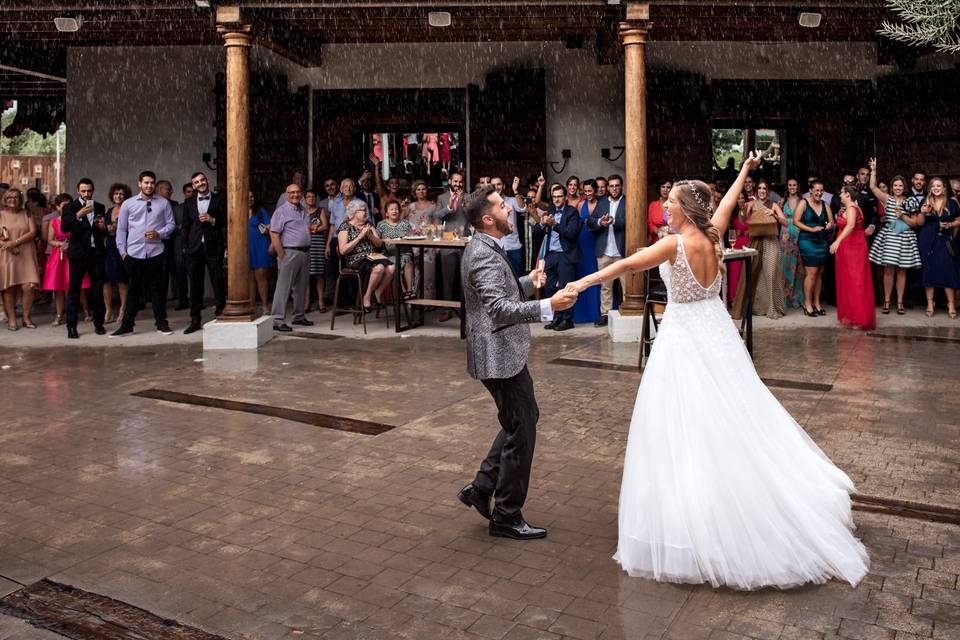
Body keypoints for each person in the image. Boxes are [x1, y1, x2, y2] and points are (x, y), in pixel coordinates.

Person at [564, 152, 870, 589]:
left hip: (685, 337)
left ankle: (696, 520)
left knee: (683, 423)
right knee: (734, 412)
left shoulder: (676, 243)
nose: (665, 208)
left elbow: (629, 265)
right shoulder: (713, 233)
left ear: (685, 210)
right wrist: (746, 168)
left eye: (670, 203)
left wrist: (583, 282)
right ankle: (730, 497)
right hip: (718, 332)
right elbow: (725, 201)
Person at [455, 185, 578, 540]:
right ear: (488, 219)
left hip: (502, 352)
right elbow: (497, 309)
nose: (510, 211)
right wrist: (548, 306)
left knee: (520, 421)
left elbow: (499, 293)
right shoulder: (482, 253)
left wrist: (526, 281)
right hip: (497, 355)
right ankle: (507, 515)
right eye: (502, 208)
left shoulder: (487, 247)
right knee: (522, 429)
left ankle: (481, 488)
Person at [112, 171, 176, 337]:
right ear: (139, 183)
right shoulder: (128, 203)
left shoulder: (163, 203)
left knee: (158, 290)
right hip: (134, 253)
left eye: (152, 183)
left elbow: (171, 225)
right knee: (133, 290)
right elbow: (121, 229)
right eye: (146, 182)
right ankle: (127, 325)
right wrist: (123, 252)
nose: (149, 185)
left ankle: (161, 323)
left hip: (156, 252)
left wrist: (159, 233)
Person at [866, 159, 922, 315]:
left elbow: (916, 223)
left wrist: (902, 215)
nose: (898, 188)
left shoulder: (910, 201)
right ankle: (887, 302)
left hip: (905, 236)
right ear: (892, 187)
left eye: (900, 185)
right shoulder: (887, 199)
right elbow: (872, 187)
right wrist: (874, 171)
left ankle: (899, 303)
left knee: (902, 271)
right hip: (890, 237)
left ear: (904, 187)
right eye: (895, 185)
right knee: (888, 270)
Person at [60, 178, 107, 339]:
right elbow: (64, 228)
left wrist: (104, 228)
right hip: (78, 254)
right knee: (74, 290)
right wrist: (78, 215)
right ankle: (71, 326)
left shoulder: (99, 206)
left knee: (97, 290)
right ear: (78, 191)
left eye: (89, 190)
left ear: (93, 190)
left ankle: (99, 324)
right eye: (83, 191)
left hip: (96, 253)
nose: (87, 194)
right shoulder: (70, 207)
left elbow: (102, 231)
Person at [733, 180, 787, 320]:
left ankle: (773, 308)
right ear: (757, 191)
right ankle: (756, 308)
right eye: (760, 188)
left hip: (771, 241)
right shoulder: (751, 204)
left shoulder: (773, 205)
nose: (762, 190)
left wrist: (774, 214)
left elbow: (785, 222)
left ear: (767, 191)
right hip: (755, 241)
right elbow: (742, 219)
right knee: (752, 274)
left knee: (771, 273)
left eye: (764, 188)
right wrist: (743, 209)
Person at [180, 172, 226, 334]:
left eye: (202, 180)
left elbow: (227, 220)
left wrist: (212, 220)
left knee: (218, 281)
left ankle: (221, 313)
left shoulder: (219, 199)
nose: (200, 183)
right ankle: (195, 319)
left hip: (214, 246)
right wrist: (186, 245)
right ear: (193, 186)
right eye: (196, 182)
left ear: (207, 181)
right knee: (195, 285)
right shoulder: (188, 202)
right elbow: (185, 226)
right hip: (194, 249)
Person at [534, 184, 581, 331]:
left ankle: (567, 320)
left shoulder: (572, 212)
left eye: (560, 196)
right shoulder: (550, 210)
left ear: (565, 198)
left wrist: (555, 225)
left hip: (565, 255)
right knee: (548, 287)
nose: (557, 199)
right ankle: (556, 318)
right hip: (551, 255)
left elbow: (571, 233)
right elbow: (536, 231)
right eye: (554, 197)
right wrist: (542, 223)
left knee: (565, 288)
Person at [831, 186, 876, 330]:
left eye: (842, 193)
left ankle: (859, 317)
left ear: (847, 195)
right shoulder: (854, 208)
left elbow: (850, 226)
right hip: (853, 246)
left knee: (855, 281)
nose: (840, 195)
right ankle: (853, 315)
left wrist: (837, 241)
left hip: (852, 248)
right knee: (851, 281)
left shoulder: (851, 209)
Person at [270, 184, 314, 332]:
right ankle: (277, 319)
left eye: (298, 192)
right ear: (286, 195)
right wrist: (281, 254)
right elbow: (274, 234)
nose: (295, 194)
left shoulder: (304, 211)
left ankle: (299, 316)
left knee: (301, 287)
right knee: (284, 287)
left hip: (305, 252)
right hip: (289, 252)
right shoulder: (281, 211)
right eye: (292, 192)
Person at [337, 200, 394, 313]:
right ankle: (367, 297)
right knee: (379, 268)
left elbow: (379, 244)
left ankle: (376, 293)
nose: (366, 212)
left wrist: (370, 235)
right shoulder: (345, 226)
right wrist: (360, 236)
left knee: (392, 268)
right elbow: (343, 250)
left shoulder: (369, 224)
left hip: (373, 256)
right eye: (363, 210)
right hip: (356, 259)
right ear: (354, 212)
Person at [916, 177, 960, 318]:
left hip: (945, 240)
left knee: (948, 270)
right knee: (929, 271)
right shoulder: (925, 201)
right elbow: (919, 223)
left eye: (939, 185)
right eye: (933, 186)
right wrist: (922, 212)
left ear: (944, 188)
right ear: (930, 188)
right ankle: (930, 303)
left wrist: (950, 225)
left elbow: (959, 220)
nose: (936, 188)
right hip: (927, 240)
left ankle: (951, 304)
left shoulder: (952, 203)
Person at [587, 174, 626, 326]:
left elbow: (631, 221)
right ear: (608, 187)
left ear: (621, 186)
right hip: (604, 251)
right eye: (611, 186)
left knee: (627, 287)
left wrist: (614, 221)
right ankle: (605, 314)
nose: (614, 189)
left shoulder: (628, 201)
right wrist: (599, 221)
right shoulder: (602, 202)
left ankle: (627, 312)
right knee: (605, 286)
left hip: (622, 251)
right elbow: (590, 221)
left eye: (617, 186)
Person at [44, 194, 88, 326]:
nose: (66, 207)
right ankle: (59, 315)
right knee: (58, 287)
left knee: (78, 285)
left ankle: (86, 312)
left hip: (74, 252)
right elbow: (50, 240)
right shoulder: (54, 221)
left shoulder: (78, 219)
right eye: (63, 205)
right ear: (58, 207)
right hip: (59, 256)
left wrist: (71, 243)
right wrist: (59, 244)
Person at [0, 189, 40, 330]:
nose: (13, 199)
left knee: (28, 286)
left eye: (16, 197)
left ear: (20, 199)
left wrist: (15, 242)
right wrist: (9, 246)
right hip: (7, 254)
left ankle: (26, 317)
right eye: (10, 197)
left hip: (26, 253)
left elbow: (33, 232)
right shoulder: (1, 215)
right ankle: (12, 319)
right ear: (5, 199)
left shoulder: (26, 213)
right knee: (9, 287)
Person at [795, 181, 834, 317]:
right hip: (807, 241)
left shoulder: (826, 205)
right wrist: (811, 229)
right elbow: (796, 221)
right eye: (816, 190)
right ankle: (808, 304)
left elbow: (831, 223)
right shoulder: (803, 203)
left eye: (821, 190)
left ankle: (817, 303)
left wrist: (830, 226)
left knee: (819, 274)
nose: (819, 193)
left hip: (822, 241)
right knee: (811, 273)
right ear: (811, 190)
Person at [436, 171, 469, 321]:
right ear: (450, 181)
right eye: (455, 181)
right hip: (448, 242)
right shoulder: (442, 198)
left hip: (465, 242)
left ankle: (466, 309)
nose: (457, 184)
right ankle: (446, 309)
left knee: (465, 278)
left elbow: (473, 215)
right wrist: (449, 206)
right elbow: (438, 216)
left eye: (460, 181)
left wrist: (463, 202)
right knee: (447, 278)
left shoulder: (468, 197)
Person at [573, 179, 601, 326]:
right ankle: (584, 313)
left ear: (595, 191)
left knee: (597, 274)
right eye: (586, 191)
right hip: (583, 242)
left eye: (590, 191)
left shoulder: (601, 204)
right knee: (584, 274)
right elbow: (577, 224)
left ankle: (598, 312)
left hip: (596, 241)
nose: (588, 194)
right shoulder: (581, 204)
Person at [405, 179, 438, 299]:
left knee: (429, 274)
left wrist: (436, 244)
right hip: (413, 244)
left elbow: (437, 224)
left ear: (427, 191)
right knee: (414, 273)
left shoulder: (433, 206)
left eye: (423, 189)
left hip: (428, 244)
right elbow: (402, 222)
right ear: (415, 192)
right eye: (418, 189)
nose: (421, 191)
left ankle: (429, 301)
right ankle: (415, 299)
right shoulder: (409, 207)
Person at [376, 200, 414, 296]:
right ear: (386, 213)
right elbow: (377, 241)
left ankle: (409, 291)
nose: (394, 211)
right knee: (394, 263)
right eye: (391, 209)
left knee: (407, 260)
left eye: (396, 209)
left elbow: (411, 238)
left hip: (404, 251)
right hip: (389, 254)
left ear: (400, 211)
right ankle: (403, 291)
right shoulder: (381, 224)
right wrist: (384, 240)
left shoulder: (405, 223)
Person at [779, 179, 806, 310]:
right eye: (790, 185)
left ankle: (797, 297)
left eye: (794, 185)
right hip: (784, 237)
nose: (792, 187)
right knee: (785, 266)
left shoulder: (802, 201)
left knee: (798, 268)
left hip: (798, 234)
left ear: (798, 186)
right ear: (787, 187)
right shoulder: (782, 201)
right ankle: (785, 298)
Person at [247, 191, 275, 317]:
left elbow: (270, 228)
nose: (250, 199)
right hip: (246, 247)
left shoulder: (261, 211)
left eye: (252, 196)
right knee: (250, 278)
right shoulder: (238, 210)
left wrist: (270, 240)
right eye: (247, 197)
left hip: (261, 245)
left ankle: (264, 305)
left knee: (261, 276)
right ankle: (251, 306)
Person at [305, 189, 329, 314]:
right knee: (307, 274)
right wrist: (309, 228)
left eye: (313, 196)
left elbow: (325, 226)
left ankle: (321, 300)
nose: (311, 199)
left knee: (319, 273)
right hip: (306, 243)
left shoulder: (321, 210)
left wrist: (315, 229)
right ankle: (307, 301)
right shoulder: (302, 211)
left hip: (318, 244)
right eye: (308, 197)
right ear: (305, 199)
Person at [647, 179, 672, 244]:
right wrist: (657, 230)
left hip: (672, 240)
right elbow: (650, 223)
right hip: (657, 240)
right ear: (659, 188)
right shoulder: (653, 205)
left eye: (668, 187)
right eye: (663, 187)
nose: (665, 190)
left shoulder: (676, 205)